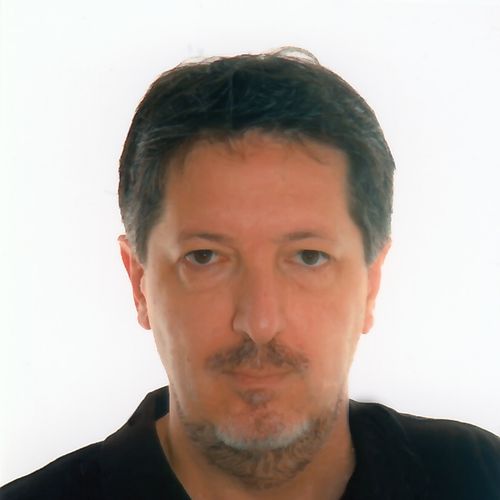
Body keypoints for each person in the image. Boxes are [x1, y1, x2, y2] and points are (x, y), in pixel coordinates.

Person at [2, 47, 499, 500]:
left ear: (371, 284)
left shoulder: (480, 477)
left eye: (308, 257)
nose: (260, 322)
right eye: (204, 257)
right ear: (139, 285)